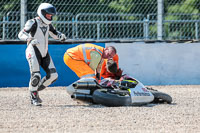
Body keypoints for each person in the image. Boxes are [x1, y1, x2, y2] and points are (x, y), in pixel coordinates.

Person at [18, 3, 66, 106]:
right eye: (48, 14)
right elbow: (21, 34)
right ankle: (34, 97)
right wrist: (29, 39)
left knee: (53, 75)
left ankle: (34, 89)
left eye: (51, 15)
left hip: (44, 52)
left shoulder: (48, 24)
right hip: (33, 51)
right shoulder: (32, 22)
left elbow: (54, 33)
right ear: (42, 13)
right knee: (36, 75)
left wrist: (60, 36)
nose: (50, 16)